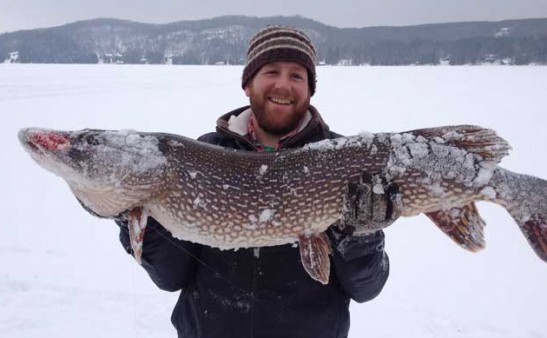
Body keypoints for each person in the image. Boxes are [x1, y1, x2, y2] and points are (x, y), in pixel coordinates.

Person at [116, 25, 399, 338]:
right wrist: (132, 213)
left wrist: (362, 236)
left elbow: (366, 288)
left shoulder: (344, 161)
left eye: (296, 75)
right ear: (248, 83)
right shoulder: (203, 155)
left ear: (309, 89)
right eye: (271, 71)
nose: (283, 84)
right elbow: (171, 276)